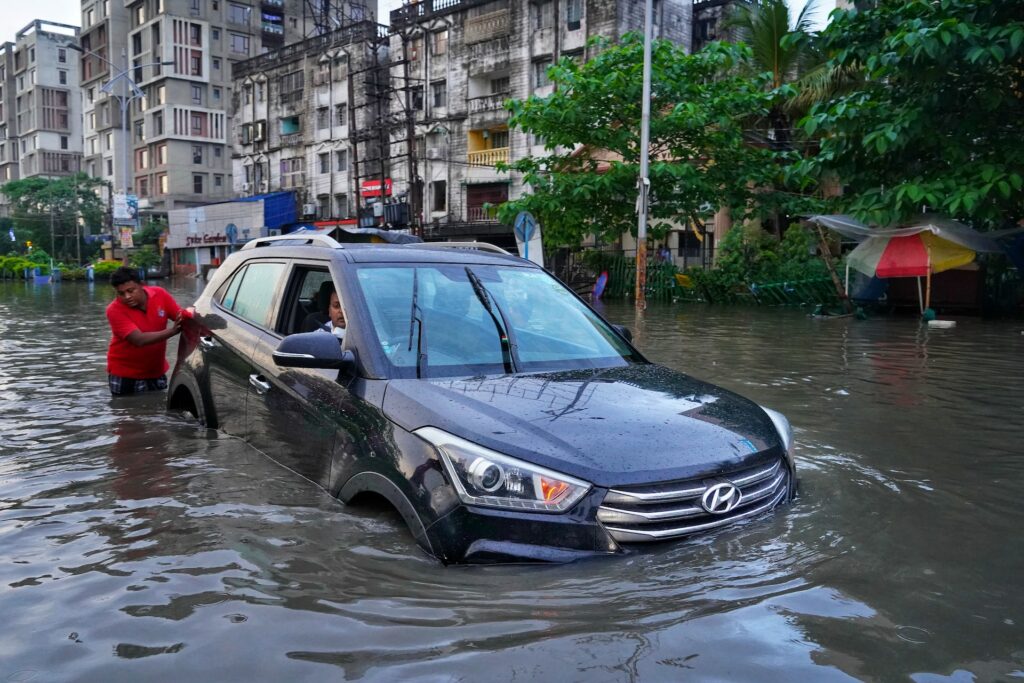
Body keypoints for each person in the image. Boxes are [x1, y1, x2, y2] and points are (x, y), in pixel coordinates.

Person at [106, 266, 191, 396]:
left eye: (131, 290)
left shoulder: (160, 294)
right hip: (125, 374)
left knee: (157, 410)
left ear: (141, 285)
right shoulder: (114, 310)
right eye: (121, 293)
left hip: (156, 371)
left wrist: (201, 316)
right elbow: (138, 340)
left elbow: (181, 316)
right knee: (126, 412)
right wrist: (173, 331)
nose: (127, 296)